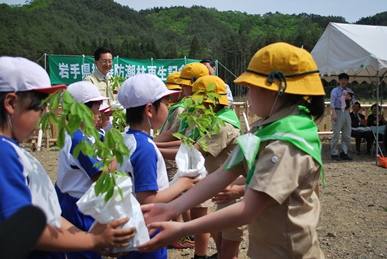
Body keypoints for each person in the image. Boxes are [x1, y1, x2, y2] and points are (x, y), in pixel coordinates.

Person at [138, 42, 326, 258]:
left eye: (251, 86)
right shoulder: (264, 131)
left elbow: (247, 210)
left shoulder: (286, 144)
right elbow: (221, 174)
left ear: (276, 90)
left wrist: (181, 229)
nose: (247, 93)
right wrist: (172, 208)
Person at [0, 56, 135, 259]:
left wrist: (84, 238)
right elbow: (21, 226)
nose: (43, 116)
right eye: (39, 107)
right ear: (11, 103)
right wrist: (93, 240)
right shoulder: (4, 153)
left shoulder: (13, 150)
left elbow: (48, 210)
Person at [116, 73, 199, 259]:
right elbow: (147, 201)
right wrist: (182, 184)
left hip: (132, 225)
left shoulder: (126, 138)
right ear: (149, 110)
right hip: (147, 231)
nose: (168, 108)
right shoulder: (144, 148)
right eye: (165, 102)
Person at [56, 81, 114, 259]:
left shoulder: (80, 134)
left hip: (73, 200)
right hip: (78, 207)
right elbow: (101, 175)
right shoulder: (78, 139)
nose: (99, 113)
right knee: (84, 252)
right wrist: (119, 158)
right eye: (96, 107)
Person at [330, 72, 355, 161]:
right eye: (342, 80)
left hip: (346, 111)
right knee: (336, 134)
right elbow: (332, 103)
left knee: (347, 134)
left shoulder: (349, 91)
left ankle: (344, 152)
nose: (343, 81)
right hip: (337, 110)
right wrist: (334, 114)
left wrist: (350, 99)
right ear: (339, 81)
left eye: (345, 80)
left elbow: (354, 103)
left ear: (348, 81)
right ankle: (334, 153)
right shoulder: (335, 90)